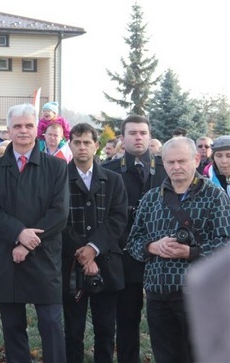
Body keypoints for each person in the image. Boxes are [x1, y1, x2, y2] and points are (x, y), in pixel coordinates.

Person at [126, 137, 230, 363]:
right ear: (163, 163)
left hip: (199, 297)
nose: (176, 167)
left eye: (182, 161)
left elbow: (226, 244)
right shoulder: (151, 198)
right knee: (165, 357)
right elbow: (133, 241)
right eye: (170, 162)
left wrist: (190, 253)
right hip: (158, 295)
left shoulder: (215, 196)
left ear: (196, 159)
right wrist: (152, 246)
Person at [0, 103, 69, 363]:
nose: (23, 131)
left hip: (44, 256)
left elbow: (59, 213)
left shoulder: (56, 167)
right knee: (12, 327)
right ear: (8, 130)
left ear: (37, 130)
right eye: (17, 126)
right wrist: (19, 233)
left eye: (28, 125)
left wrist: (28, 242)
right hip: (7, 257)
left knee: (51, 324)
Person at [102, 115, 168, 363]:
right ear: (123, 138)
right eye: (132, 133)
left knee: (163, 323)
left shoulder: (165, 169)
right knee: (127, 321)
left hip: (162, 259)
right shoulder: (108, 172)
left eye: (142, 132)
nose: (138, 137)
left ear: (150, 137)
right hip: (125, 257)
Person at [62, 123, 128, 363]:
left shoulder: (113, 180)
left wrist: (93, 249)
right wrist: (82, 253)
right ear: (70, 144)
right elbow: (58, 219)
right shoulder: (59, 178)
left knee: (106, 330)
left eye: (87, 142)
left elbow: (118, 218)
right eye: (77, 142)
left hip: (106, 264)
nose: (82, 147)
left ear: (96, 146)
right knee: (73, 331)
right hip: (71, 265)